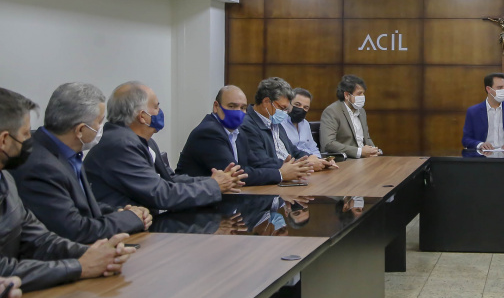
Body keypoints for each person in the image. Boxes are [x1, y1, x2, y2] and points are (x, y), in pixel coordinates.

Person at [0, 88, 136, 292]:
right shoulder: (37, 166)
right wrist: (79, 266)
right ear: (4, 140)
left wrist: (94, 254)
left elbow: (38, 238)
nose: (31, 140)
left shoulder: (6, 178)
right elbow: (3, 270)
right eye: (26, 134)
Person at [13, 83, 151, 243]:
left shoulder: (66, 151)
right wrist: (130, 219)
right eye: (99, 122)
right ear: (80, 130)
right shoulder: (40, 166)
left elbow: (81, 205)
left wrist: (121, 212)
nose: (102, 128)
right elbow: (76, 230)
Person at [84, 82, 244, 214]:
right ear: (142, 116)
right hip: (122, 232)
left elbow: (170, 179)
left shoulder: (144, 141)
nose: (160, 112)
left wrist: (214, 180)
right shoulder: (120, 145)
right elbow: (161, 195)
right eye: (156, 107)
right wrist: (213, 186)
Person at [176, 85, 315, 185]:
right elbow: (236, 175)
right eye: (232, 106)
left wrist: (293, 166)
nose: (238, 112)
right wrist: (280, 173)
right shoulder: (209, 132)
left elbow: (256, 162)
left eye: (242, 108)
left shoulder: (238, 131)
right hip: (197, 209)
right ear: (216, 106)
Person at [240, 77, 324, 175]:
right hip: (272, 181)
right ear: (266, 102)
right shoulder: (247, 125)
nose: (285, 113)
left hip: (292, 174)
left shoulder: (274, 121)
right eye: (282, 108)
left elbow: (294, 151)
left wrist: (313, 158)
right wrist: (302, 164)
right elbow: (261, 161)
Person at [462, 72, 504, 152]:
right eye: (499, 87)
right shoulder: (473, 111)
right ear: (488, 89)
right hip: (482, 158)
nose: (503, 90)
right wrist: (480, 145)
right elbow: (466, 139)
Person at [320, 75, 382, 158]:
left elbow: (366, 138)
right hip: (346, 160)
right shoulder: (332, 111)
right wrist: (359, 152)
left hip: (365, 159)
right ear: (346, 95)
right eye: (359, 93)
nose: (363, 97)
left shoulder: (361, 111)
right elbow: (328, 143)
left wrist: (374, 150)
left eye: (363, 93)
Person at [282, 88, 336, 171]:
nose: (301, 109)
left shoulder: (305, 124)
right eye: (297, 104)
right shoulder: (279, 123)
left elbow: (313, 148)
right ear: (289, 103)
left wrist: (320, 160)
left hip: (312, 166)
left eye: (305, 107)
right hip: (293, 167)